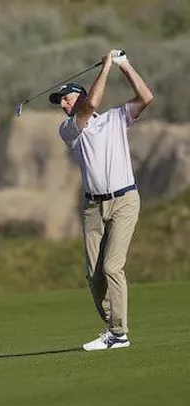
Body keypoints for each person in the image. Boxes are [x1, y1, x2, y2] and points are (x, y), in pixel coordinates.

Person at [49, 49, 154, 351]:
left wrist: (124, 65)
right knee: (93, 275)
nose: (63, 105)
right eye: (61, 103)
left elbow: (146, 97)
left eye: (67, 99)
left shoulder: (116, 118)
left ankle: (119, 334)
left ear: (79, 96)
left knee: (111, 267)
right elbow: (92, 102)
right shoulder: (70, 129)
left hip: (124, 201)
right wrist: (107, 65)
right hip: (93, 207)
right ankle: (111, 327)